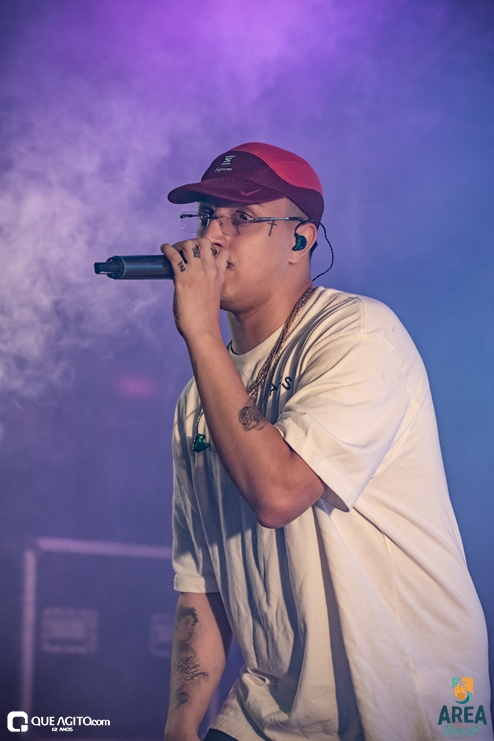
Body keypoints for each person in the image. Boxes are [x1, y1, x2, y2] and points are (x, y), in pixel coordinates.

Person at [161, 142, 492, 741]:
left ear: (301, 238)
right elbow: (201, 587)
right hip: (270, 710)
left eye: (241, 218)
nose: (212, 237)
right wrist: (180, 725)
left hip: (402, 697)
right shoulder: (195, 403)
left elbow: (279, 493)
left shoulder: (358, 333)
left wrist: (201, 334)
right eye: (206, 215)